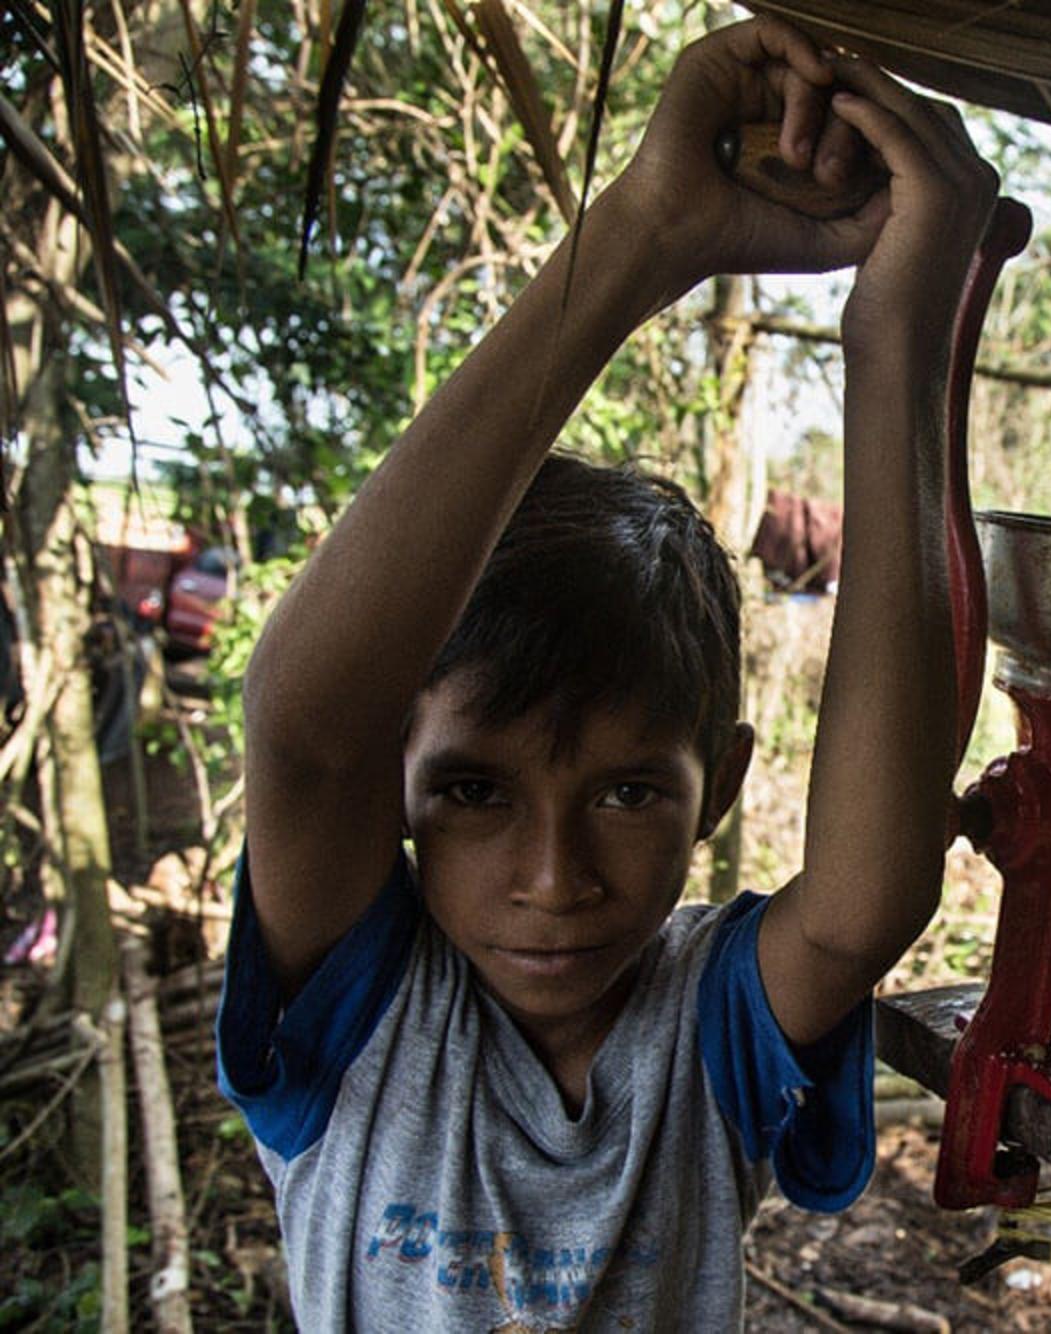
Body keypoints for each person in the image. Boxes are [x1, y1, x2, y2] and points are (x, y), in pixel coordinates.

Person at [214, 17, 999, 1329]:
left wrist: (895, 339)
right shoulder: (360, 1013)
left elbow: (869, 899)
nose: (553, 876)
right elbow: (303, 734)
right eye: (473, 790)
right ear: (398, 773)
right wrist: (649, 228)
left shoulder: (707, 1027)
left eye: (631, 793)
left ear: (719, 787)